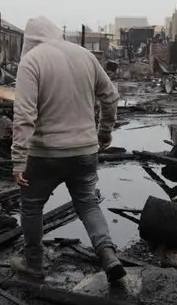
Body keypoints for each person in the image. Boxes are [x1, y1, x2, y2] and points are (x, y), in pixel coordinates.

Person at [10, 16, 125, 283]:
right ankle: (108, 253)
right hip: (85, 151)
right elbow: (111, 97)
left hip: (44, 154)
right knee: (87, 202)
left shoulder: (32, 61)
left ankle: (33, 264)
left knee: (31, 206)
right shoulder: (85, 56)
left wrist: (18, 160)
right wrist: (105, 131)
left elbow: (24, 115)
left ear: (30, 39)